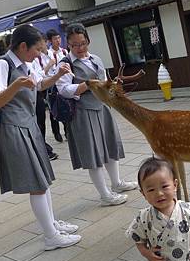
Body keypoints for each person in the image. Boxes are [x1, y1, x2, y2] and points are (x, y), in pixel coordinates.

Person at [0, 24, 80, 250]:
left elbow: (39, 85)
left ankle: (51, 225)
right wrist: (17, 85)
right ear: (22, 46)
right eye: (37, 49)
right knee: (37, 184)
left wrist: (57, 75)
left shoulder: (25, 63)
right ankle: (50, 236)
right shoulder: (2, 64)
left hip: (27, 125)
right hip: (13, 128)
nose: (39, 54)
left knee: (43, 180)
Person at [57, 23, 137, 206]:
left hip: (102, 108)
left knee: (110, 145)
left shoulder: (95, 59)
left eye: (83, 43)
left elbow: (103, 81)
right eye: (75, 44)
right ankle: (105, 194)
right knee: (93, 153)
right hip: (83, 113)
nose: (80, 48)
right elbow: (63, 89)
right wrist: (87, 85)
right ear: (68, 44)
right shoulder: (66, 64)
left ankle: (116, 183)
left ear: (88, 41)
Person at [32, 34, 63, 160]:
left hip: (52, 85)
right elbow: (39, 78)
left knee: (57, 110)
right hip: (40, 91)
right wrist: (49, 65)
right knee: (42, 120)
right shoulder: (34, 59)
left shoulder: (59, 52)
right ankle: (42, 146)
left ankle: (43, 146)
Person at [46, 29, 68, 142]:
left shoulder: (64, 52)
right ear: (50, 41)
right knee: (53, 107)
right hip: (52, 83)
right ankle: (56, 132)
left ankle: (67, 130)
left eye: (59, 38)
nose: (58, 41)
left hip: (63, 81)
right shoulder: (47, 54)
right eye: (55, 39)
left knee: (65, 105)